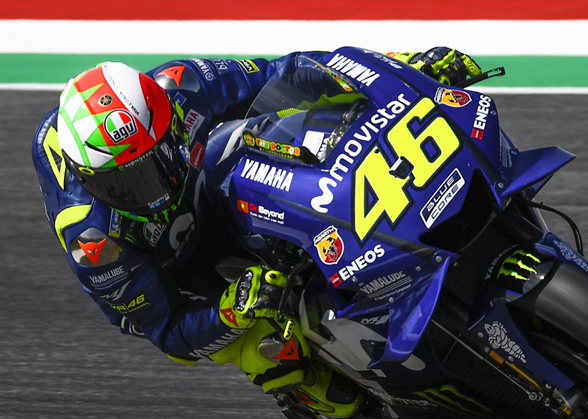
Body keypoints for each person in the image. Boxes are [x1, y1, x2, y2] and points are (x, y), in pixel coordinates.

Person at [32, 46, 481, 418]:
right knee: (271, 350)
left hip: (204, 180)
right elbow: (166, 329)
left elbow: (283, 74)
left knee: (290, 130)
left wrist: (399, 69)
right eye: (121, 184)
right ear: (88, 178)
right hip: (175, 270)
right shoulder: (92, 239)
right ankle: (320, 399)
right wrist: (230, 312)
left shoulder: (181, 86)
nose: (145, 191)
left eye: (148, 167)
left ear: (166, 122)